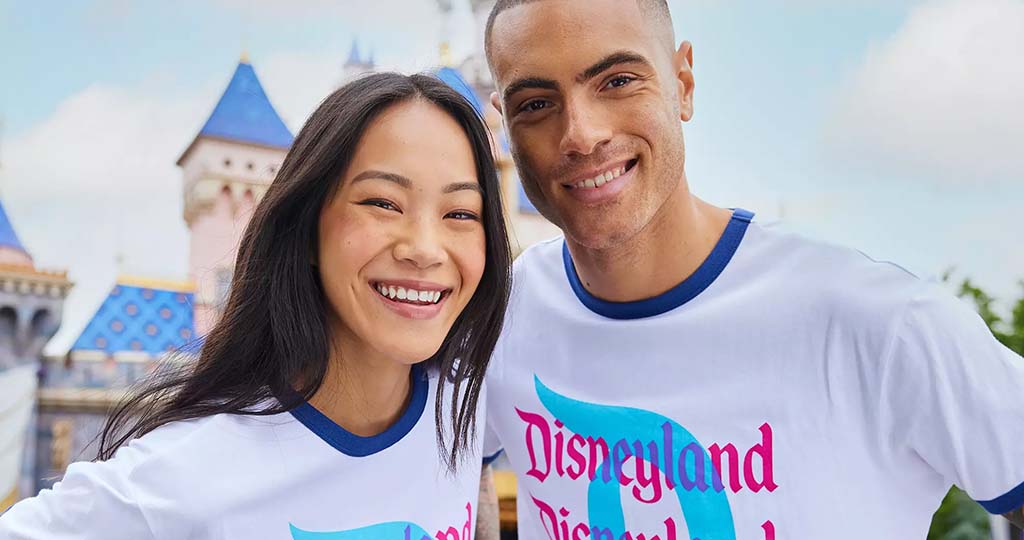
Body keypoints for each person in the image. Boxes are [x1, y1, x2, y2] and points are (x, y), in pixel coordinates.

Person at [476, 0, 1024, 537]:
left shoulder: (883, 324)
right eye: (536, 104)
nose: (582, 134)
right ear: (504, 126)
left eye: (617, 81)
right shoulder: (497, 320)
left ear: (682, 83)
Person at [1, 72, 512, 539]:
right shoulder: (187, 477)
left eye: (461, 212)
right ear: (307, 227)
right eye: (382, 203)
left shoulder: (462, 402)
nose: (424, 248)